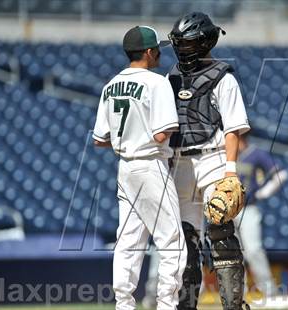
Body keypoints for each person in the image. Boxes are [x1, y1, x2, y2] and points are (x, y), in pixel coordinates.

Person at [92, 26, 187, 310]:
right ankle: (167, 305)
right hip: (150, 165)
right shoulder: (157, 83)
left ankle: (123, 304)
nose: (159, 52)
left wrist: (129, 141)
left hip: (125, 167)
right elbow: (162, 134)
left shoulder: (110, 85)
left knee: (129, 240)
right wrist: (142, 141)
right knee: (171, 241)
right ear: (148, 52)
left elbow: (100, 139)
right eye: (156, 48)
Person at [167, 12, 251, 310]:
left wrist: (231, 171)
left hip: (213, 159)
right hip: (180, 164)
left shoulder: (223, 77)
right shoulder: (171, 78)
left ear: (204, 42)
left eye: (188, 43)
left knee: (221, 234)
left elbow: (234, 129)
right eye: (180, 43)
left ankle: (233, 305)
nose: (183, 49)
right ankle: (186, 305)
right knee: (186, 243)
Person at [234, 136, 288, 298]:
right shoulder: (225, 154)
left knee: (253, 250)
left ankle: (270, 293)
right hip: (228, 212)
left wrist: (263, 193)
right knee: (233, 254)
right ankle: (237, 296)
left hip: (248, 208)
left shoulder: (256, 153)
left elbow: (281, 174)